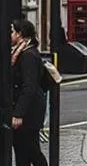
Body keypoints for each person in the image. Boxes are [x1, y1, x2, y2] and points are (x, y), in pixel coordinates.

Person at [10, 19, 47, 165]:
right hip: (27, 110)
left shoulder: (28, 55)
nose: (9, 35)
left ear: (20, 34)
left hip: (30, 113)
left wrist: (18, 114)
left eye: (12, 32)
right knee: (22, 151)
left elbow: (29, 86)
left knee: (31, 151)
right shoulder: (20, 52)